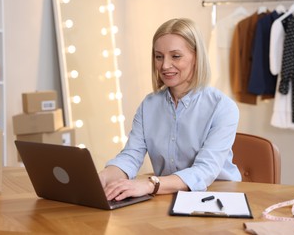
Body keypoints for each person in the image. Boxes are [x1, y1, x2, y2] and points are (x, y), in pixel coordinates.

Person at [99, 18, 241, 201]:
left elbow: (205, 171)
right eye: (159, 56)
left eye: (175, 56)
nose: (165, 65)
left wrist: (150, 184)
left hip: (218, 197)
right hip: (167, 197)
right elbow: (130, 156)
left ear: (196, 57)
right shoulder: (148, 105)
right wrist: (101, 178)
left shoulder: (223, 107)